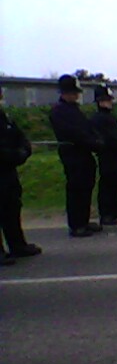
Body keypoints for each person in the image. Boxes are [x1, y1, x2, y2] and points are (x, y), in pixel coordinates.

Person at [50, 75, 104, 237]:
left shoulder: (74, 109)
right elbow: (74, 134)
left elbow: (87, 128)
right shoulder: (59, 111)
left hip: (84, 152)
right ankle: (76, 224)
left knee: (86, 187)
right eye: (73, 92)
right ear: (65, 92)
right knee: (76, 189)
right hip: (72, 153)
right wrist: (92, 142)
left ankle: (84, 220)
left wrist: (96, 140)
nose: (76, 96)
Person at [0, 84, 42, 264]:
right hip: (3, 164)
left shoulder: (4, 116)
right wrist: (15, 154)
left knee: (11, 206)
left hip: (7, 170)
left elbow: (18, 135)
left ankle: (17, 245)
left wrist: (24, 149)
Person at [90, 85, 117, 226]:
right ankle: (106, 213)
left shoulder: (109, 117)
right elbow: (109, 138)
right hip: (107, 154)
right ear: (100, 101)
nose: (110, 102)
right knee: (107, 183)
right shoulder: (98, 119)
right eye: (107, 100)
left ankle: (115, 208)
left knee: (116, 180)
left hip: (116, 154)